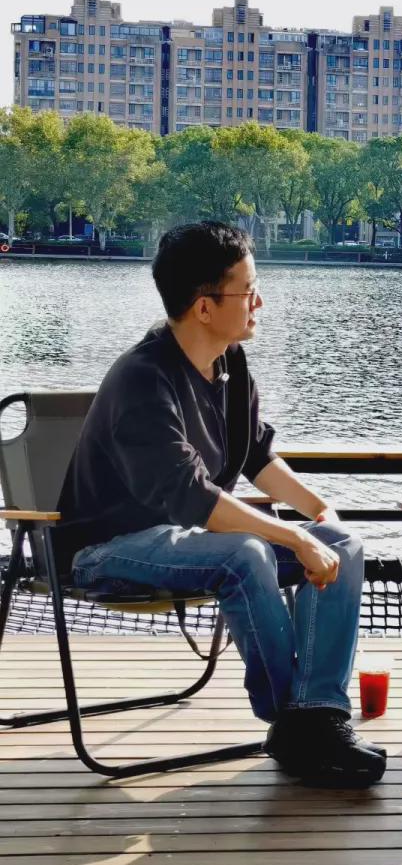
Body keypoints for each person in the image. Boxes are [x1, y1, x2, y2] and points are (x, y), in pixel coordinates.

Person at [58, 221, 385, 788]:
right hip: (107, 549)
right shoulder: (143, 379)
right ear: (204, 307)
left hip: (189, 541)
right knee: (246, 554)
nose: (259, 302)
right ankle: (294, 722)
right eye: (247, 291)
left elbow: (255, 456)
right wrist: (293, 537)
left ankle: (318, 713)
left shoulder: (231, 365)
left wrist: (319, 513)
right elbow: (191, 496)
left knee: (343, 544)